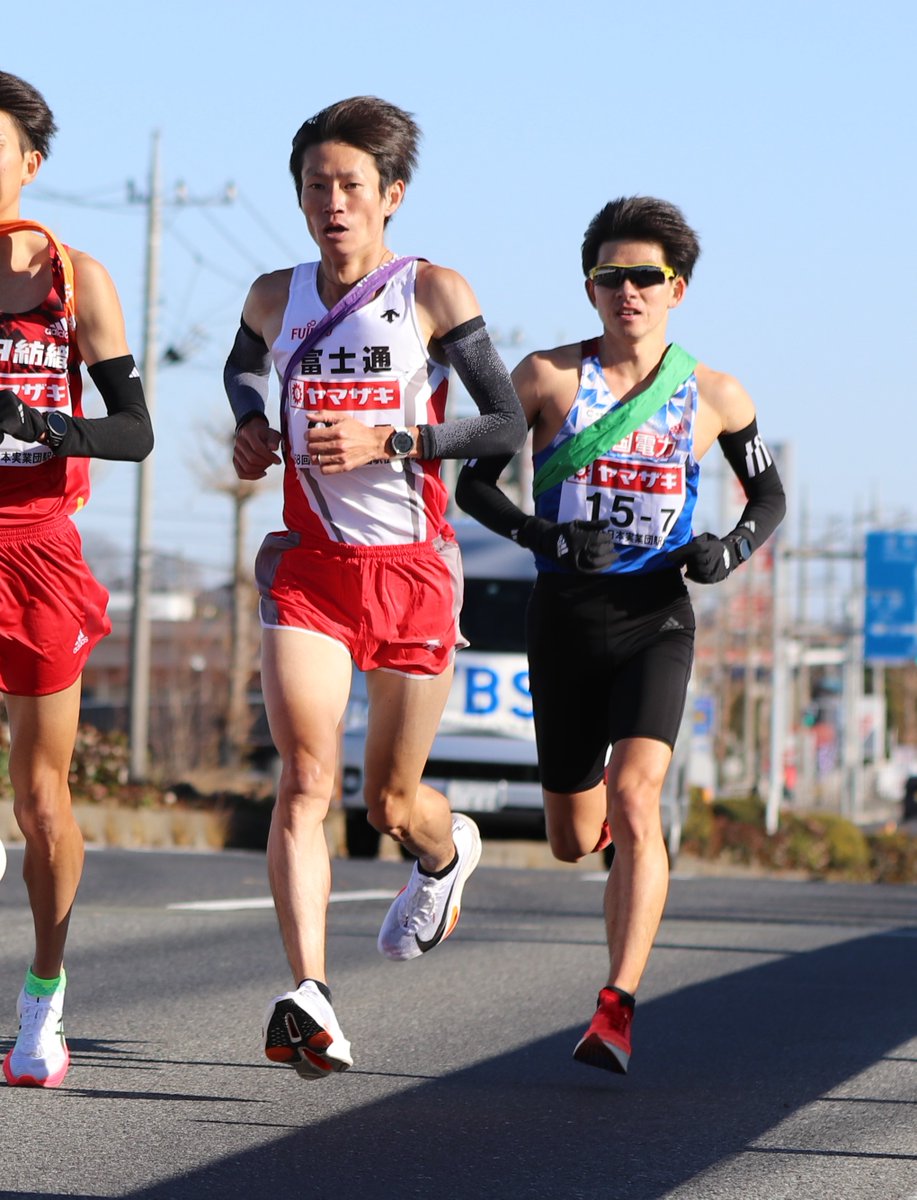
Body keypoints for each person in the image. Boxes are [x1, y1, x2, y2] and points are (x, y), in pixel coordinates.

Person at [224, 96, 526, 1081]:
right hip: (311, 570)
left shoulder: (431, 292)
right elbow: (239, 373)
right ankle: (309, 992)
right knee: (307, 780)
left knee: (390, 801)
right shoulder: (274, 296)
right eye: (316, 185)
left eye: (352, 185)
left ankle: (443, 855)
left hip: (411, 572)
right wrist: (250, 425)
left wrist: (393, 440)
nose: (333, 202)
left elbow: (503, 425)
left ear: (390, 195)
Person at [456, 196, 785, 1074]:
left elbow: (769, 498)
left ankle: (617, 1007)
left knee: (638, 797)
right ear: (590, 287)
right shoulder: (545, 378)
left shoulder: (715, 394)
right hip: (563, 617)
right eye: (610, 277)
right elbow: (474, 489)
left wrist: (728, 550)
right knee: (571, 836)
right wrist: (544, 535)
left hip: (655, 617)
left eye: (645, 277)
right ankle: (598, 833)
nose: (627, 292)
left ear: (675, 288)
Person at [0, 72, 153, 1088]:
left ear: (28, 165)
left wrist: (47, 426)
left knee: (40, 798)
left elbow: (135, 433)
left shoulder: (76, 279)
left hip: (39, 548)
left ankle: (45, 997)